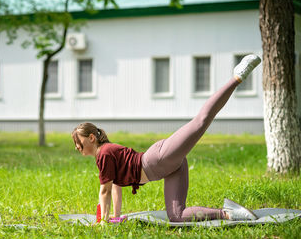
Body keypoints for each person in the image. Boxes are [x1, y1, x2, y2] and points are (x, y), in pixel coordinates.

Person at [71, 54, 261, 224]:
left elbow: (103, 191)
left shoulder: (103, 153)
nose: (77, 148)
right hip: (168, 167)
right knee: (177, 215)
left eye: (78, 143)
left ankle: (237, 77)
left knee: (200, 122)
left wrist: (102, 222)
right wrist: (115, 216)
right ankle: (228, 213)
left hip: (159, 159)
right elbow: (114, 188)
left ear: (90, 138)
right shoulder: (105, 154)